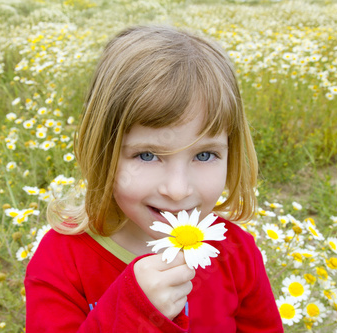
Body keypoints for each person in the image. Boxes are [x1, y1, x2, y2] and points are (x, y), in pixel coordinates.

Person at [24, 25, 283, 332]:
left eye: (204, 155)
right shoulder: (60, 262)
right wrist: (133, 311)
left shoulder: (237, 254)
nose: (177, 190)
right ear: (102, 153)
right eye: (147, 155)